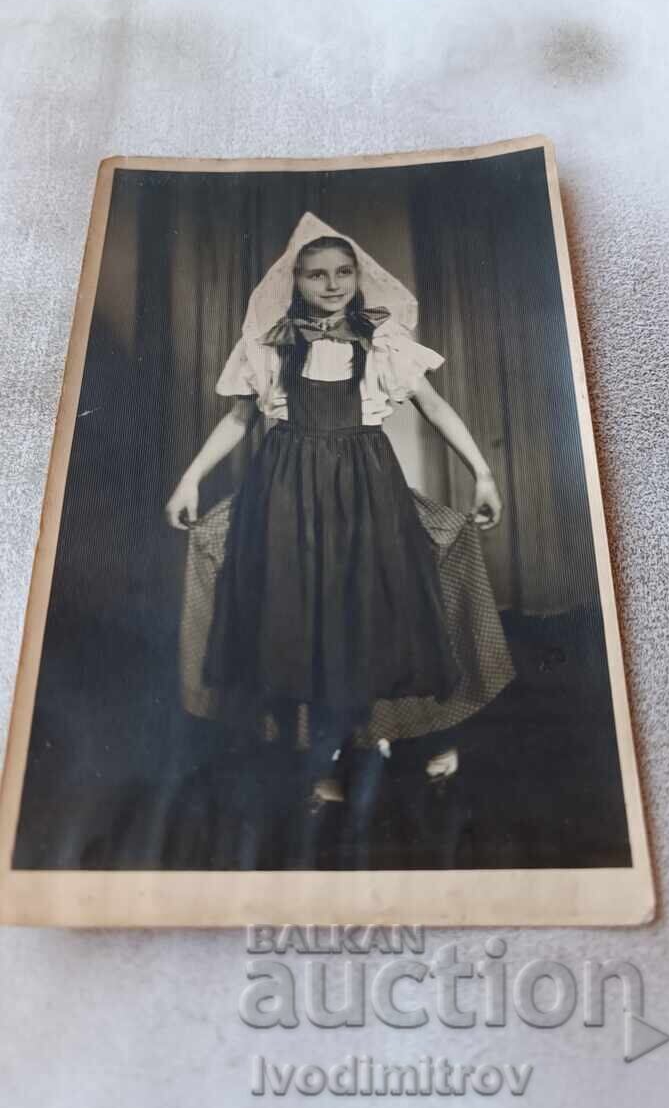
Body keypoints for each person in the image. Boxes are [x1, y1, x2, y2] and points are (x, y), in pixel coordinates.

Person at [166, 213, 514, 809]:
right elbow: (240, 419)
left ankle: (393, 737)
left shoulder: (384, 342)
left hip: (364, 490)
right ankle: (321, 758)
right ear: (293, 282)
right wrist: (189, 480)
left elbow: (433, 406)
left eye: (343, 272)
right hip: (283, 494)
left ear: (358, 277)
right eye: (316, 274)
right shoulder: (269, 345)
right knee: (299, 616)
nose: (332, 285)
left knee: (378, 610)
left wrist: (481, 473)